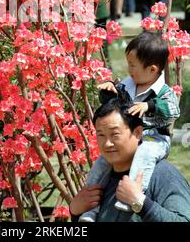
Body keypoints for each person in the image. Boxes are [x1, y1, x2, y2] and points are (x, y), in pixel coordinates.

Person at [77, 31, 180, 221]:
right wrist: (109, 92)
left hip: (153, 139)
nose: (129, 69)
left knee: (144, 154)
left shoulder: (164, 92)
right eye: (128, 63)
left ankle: (132, 195)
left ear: (152, 69)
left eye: (133, 65)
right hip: (130, 139)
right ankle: (89, 210)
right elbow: (114, 109)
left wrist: (149, 105)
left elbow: (173, 111)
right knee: (100, 165)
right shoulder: (127, 84)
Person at [69, 94, 190, 222]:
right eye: (101, 135)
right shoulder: (101, 179)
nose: (107, 143)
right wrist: (75, 212)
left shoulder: (162, 174)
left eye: (115, 134)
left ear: (138, 132)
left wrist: (141, 203)